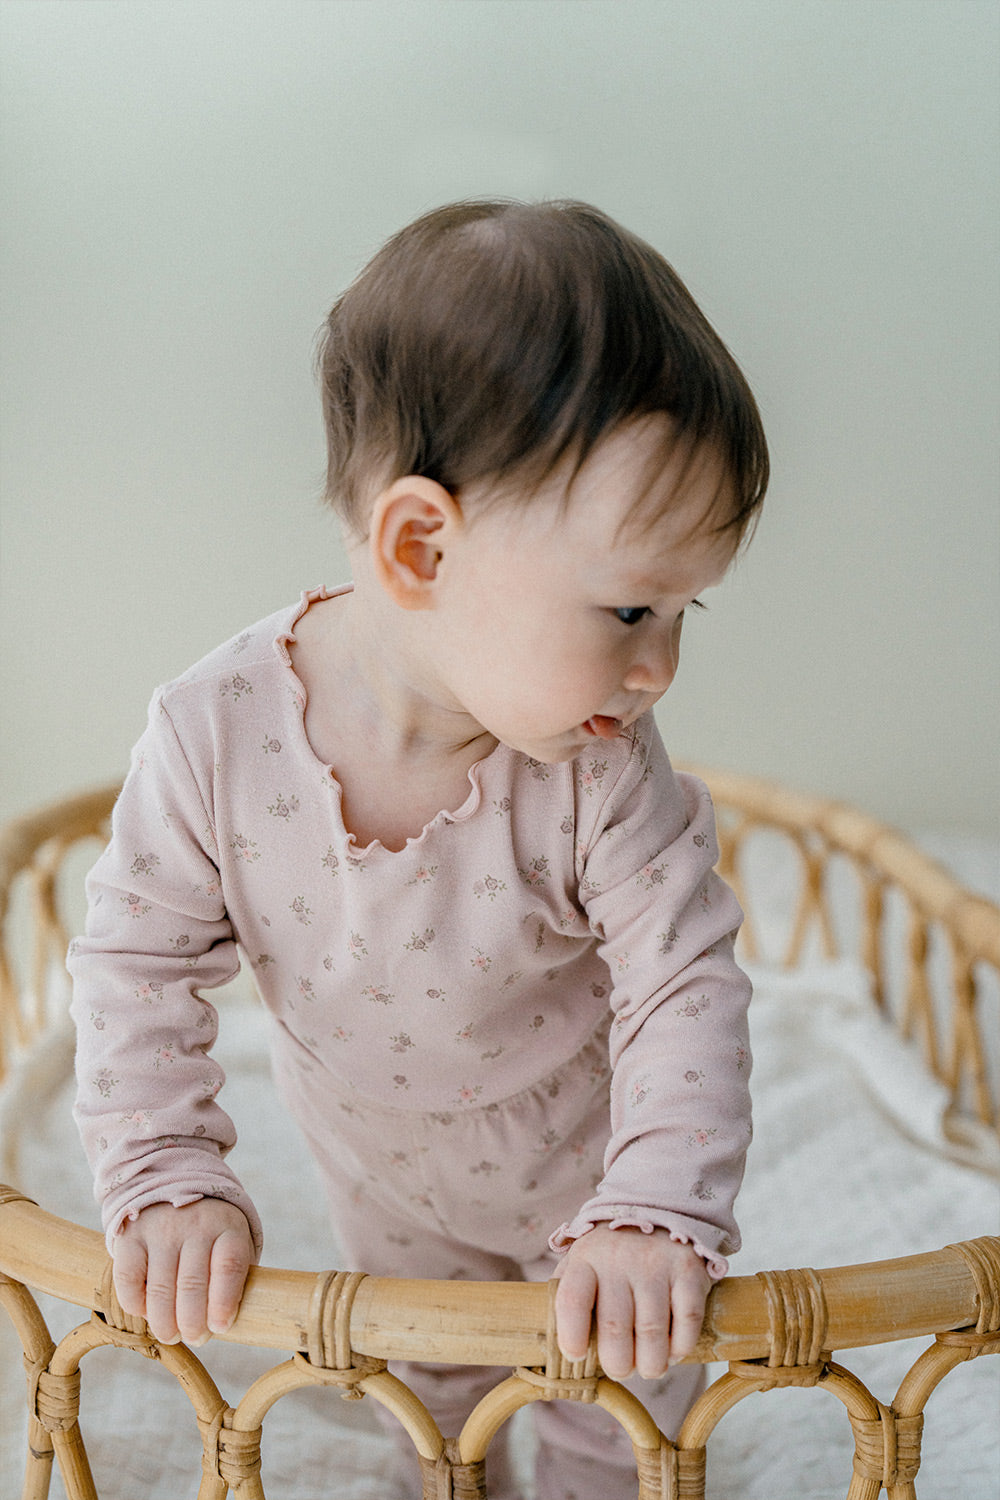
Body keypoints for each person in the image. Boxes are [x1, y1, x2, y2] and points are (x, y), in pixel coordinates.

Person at [69, 199, 767, 1500]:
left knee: (616, 1430)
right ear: (420, 545)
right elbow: (131, 965)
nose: (661, 664)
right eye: (628, 605)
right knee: (427, 1416)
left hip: (592, 1183)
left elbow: (687, 982)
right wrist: (164, 1169)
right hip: (385, 1191)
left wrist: (656, 1207)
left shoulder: (600, 766)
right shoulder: (213, 737)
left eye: (683, 612)